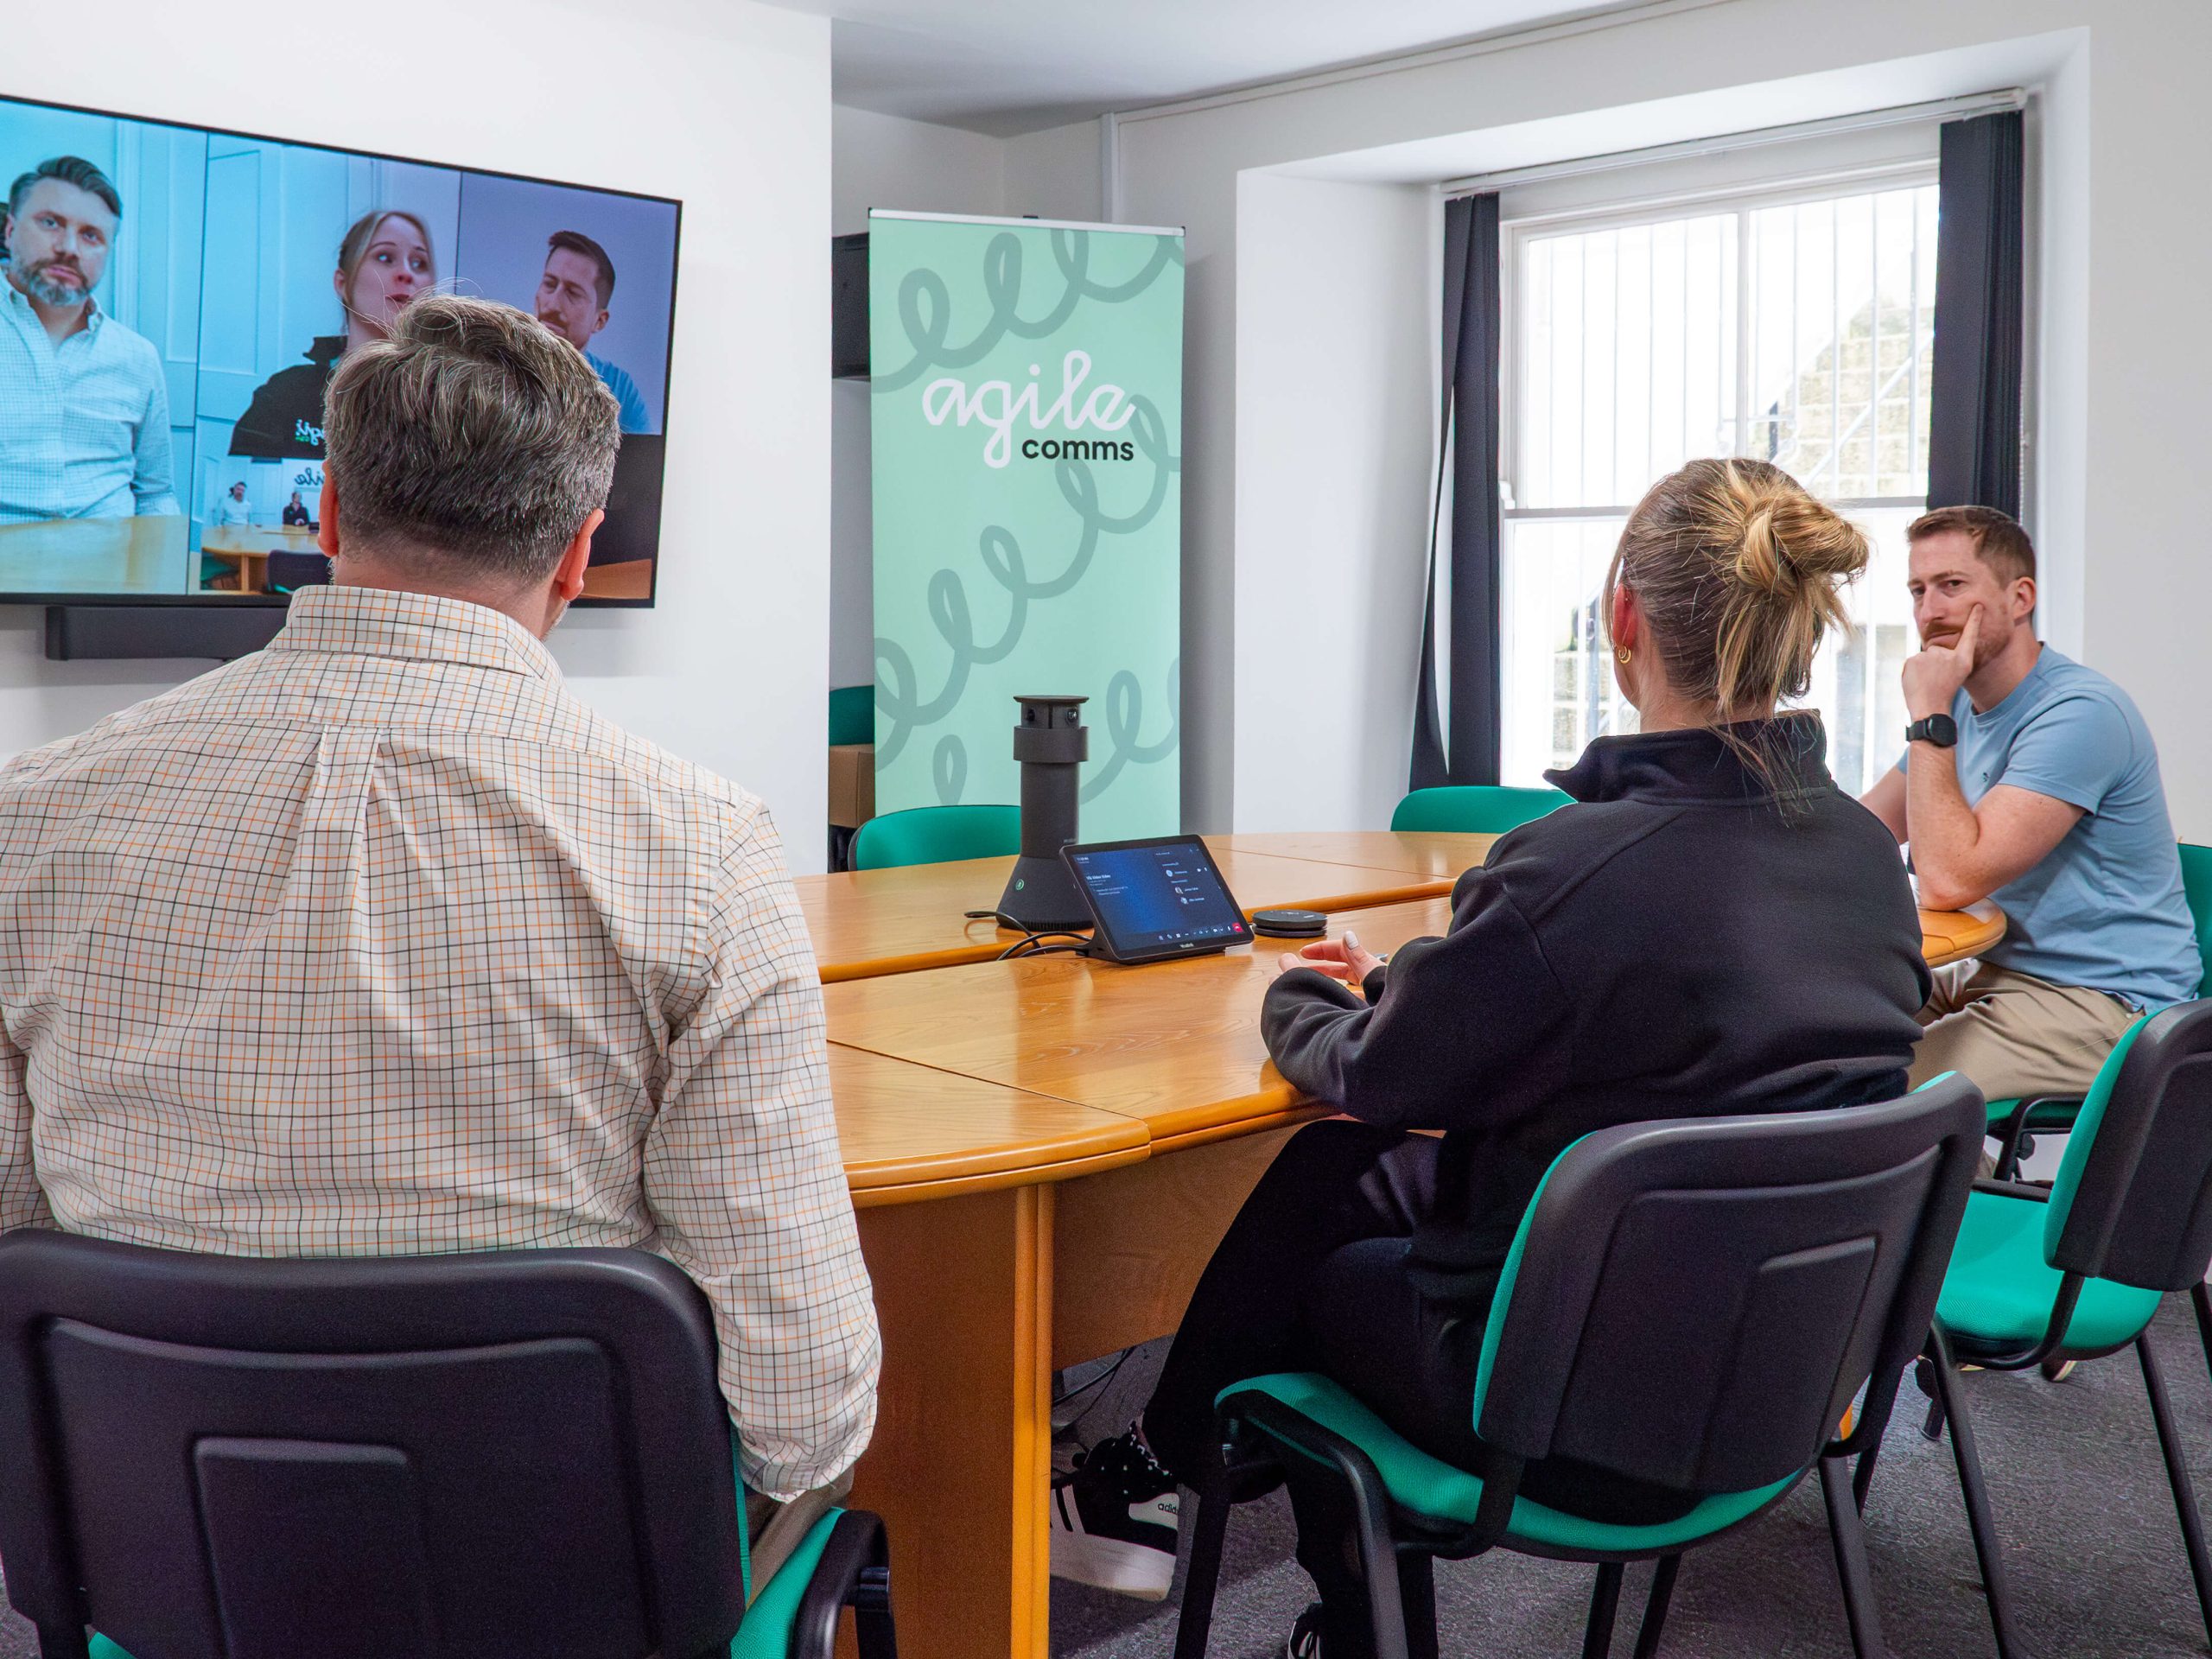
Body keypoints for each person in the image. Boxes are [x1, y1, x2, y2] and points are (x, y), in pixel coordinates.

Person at [0, 295, 878, 1582]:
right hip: (563, 1582)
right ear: (581, 553)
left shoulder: (33, 815)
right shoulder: (703, 849)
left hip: (158, 1561)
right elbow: (802, 1394)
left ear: (335, 514)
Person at [1050, 461, 1930, 1655]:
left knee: (1313, 1272)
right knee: (1331, 1182)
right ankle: (1157, 1453)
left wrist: (1305, 994)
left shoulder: (1574, 867)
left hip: (1565, 1408)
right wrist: (1433, 992)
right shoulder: (1866, 858)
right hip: (1778, 1384)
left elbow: (1376, 1078)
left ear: (1624, 618)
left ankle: (1220, 1503)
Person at [1859, 506, 2198, 1104]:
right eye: (1918, 590)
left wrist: (1928, 713)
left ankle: (1947, 1178)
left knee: (1877, 1090)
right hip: (1991, 968)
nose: (1929, 612)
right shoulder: (1960, 708)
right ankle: (1959, 1168)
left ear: (2021, 599)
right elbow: (1865, 830)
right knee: (1824, 1035)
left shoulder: (2080, 714)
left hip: (2103, 1000)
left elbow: (1946, 882)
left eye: (1952, 586)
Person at [0, 156, 178, 524]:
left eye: (90, 235)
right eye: (51, 223)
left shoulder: (138, 357)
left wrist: (160, 578)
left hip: (106, 575)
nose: (69, 248)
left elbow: (157, 494)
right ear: (10, 231)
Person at [229, 209, 435, 460]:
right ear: (342, 283)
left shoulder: (446, 405)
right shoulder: (284, 395)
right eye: (385, 256)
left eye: (419, 263)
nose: (406, 273)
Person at [534, 230, 651, 434]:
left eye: (573, 293)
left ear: (599, 320)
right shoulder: (498, 364)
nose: (552, 304)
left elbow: (642, 460)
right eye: (550, 284)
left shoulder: (620, 389)